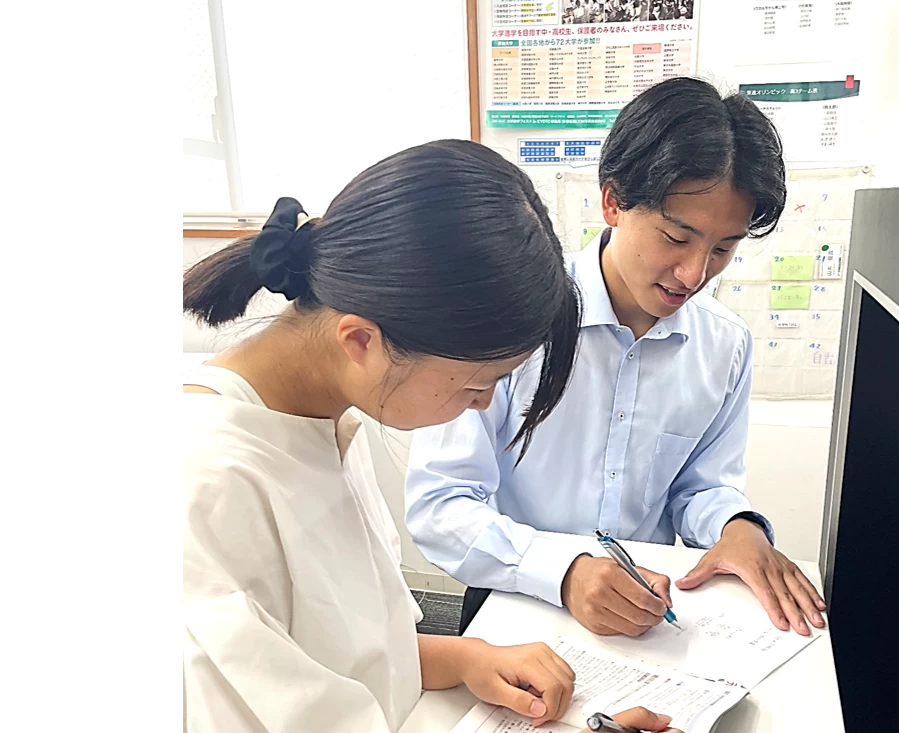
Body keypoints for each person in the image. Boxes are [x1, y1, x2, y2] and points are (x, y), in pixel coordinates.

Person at [182, 139, 681, 733]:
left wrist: (464, 656)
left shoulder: (325, 418)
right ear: (361, 341)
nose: (486, 402)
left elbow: (335, 655)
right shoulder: (204, 485)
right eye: (477, 383)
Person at [405, 79, 829, 640]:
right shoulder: (514, 321)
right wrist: (563, 572)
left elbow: (700, 487)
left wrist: (737, 527)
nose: (695, 274)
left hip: (648, 614)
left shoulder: (724, 344)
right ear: (613, 201)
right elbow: (440, 504)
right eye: (677, 237)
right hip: (516, 603)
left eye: (723, 248)